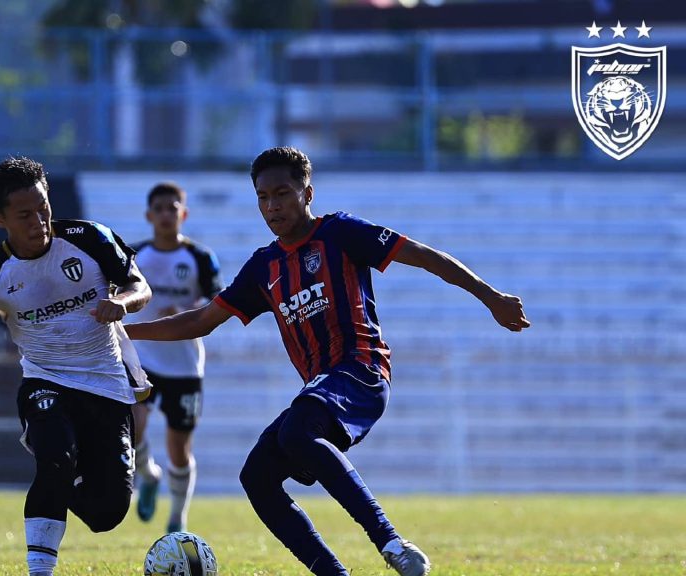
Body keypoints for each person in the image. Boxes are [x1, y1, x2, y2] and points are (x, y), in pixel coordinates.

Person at [126, 147, 531, 576]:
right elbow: (203, 320)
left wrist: (491, 298)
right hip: (321, 386)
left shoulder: (340, 233)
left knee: (298, 430)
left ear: (307, 193)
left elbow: (423, 255)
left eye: (282, 193)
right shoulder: (264, 266)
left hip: (362, 370)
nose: (273, 206)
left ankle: (391, 543)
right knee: (256, 477)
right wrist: (123, 333)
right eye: (263, 197)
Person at [0, 156, 152, 576]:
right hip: (46, 383)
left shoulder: (89, 238)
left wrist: (121, 301)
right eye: (25, 215)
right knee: (54, 459)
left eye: (43, 208)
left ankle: (64, 478)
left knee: (107, 515)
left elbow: (140, 287)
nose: (39, 222)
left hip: (107, 386)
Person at [126, 182, 222, 533]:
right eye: (160, 209)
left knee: (179, 448)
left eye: (173, 208)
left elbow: (219, 303)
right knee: (132, 426)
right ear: (149, 216)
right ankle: (148, 473)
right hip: (142, 358)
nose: (167, 214)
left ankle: (177, 517)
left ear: (184, 214)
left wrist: (185, 309)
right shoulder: (132, 256)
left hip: (184, 364)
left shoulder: (200, 258)